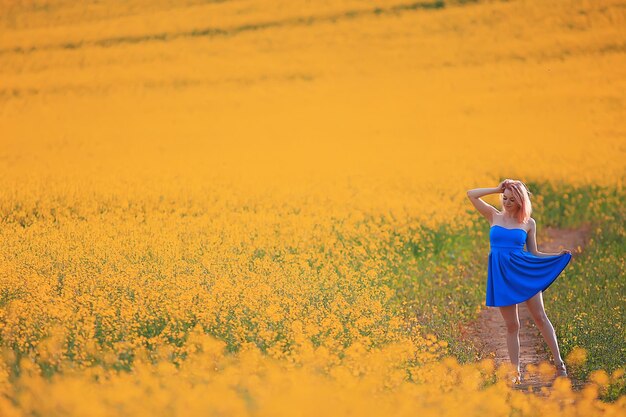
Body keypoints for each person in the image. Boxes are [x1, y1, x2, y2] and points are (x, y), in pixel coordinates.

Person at [467, 179, 572, 385]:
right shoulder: (493, 215)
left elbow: (534, 253)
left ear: (520, 201)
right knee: (512, 325)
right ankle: (515, 372)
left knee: (540, 317)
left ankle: (559, 364)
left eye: (512, 199)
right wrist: (498, 188)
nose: (506, 202)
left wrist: (556, 256)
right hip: (502, 276)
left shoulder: (528, 223)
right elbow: (471, 194)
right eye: (504, 198)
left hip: (524, 272)